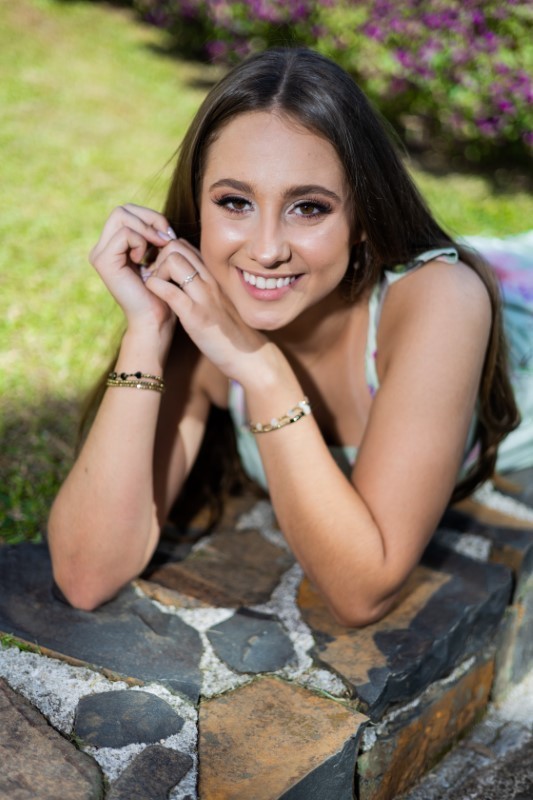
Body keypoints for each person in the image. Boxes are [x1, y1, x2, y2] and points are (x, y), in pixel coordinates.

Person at [48, 47, 520, 625]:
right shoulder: (201, 325)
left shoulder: (440, 300)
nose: (267, 249)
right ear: (198, 207)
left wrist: (260, 368)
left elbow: (363, 590)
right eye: (235, 202)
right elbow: (85, 576)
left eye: (308, 208)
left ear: (363, 216)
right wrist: (147, 331)